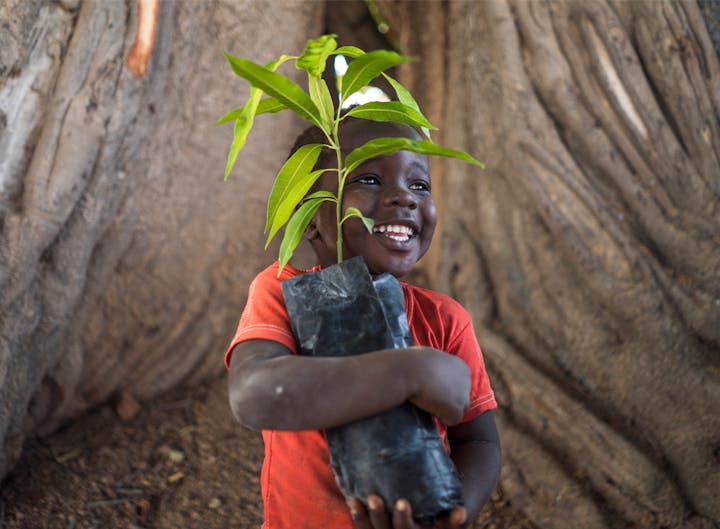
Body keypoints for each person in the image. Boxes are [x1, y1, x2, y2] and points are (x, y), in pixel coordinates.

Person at [225, 117, 501, 529]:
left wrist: (452, 513)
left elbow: (478, 440)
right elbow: (254, 394)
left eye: (419, 185)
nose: (403, 198)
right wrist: (411, 372)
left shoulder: (444, 319)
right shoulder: (281, 291)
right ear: (310, 216)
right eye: (369, 179)